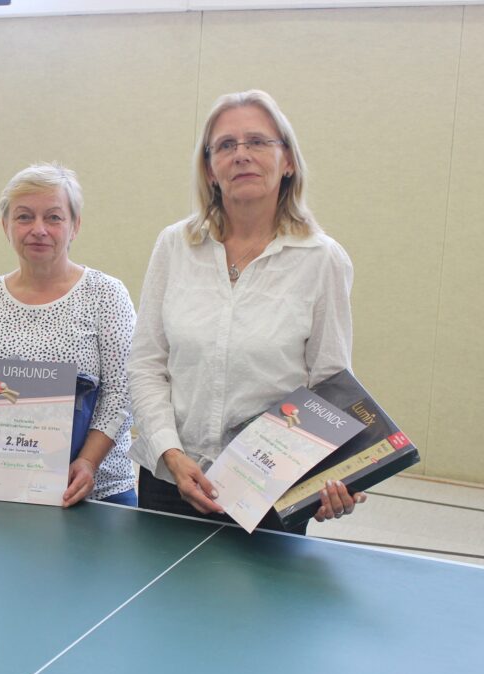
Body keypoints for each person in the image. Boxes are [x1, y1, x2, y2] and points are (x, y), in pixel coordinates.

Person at [128, 89, 364, 534]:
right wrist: (171, 456)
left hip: (268, 492)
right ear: (210, 168)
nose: (242, 155)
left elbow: (330, 385)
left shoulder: (323, 260)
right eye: (226, 146)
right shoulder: (174, 246)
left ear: (288, 161)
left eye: (258, 142)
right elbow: (146, 364)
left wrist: (335, 476)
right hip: (168, 481)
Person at [0, 163, 137, 507]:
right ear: (5, 225)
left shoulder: (107, 295)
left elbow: (122, 393)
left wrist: (88, 463)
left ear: (75, 225)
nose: (38, 229)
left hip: (97, 494)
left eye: (53, 217)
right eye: (23, 217)